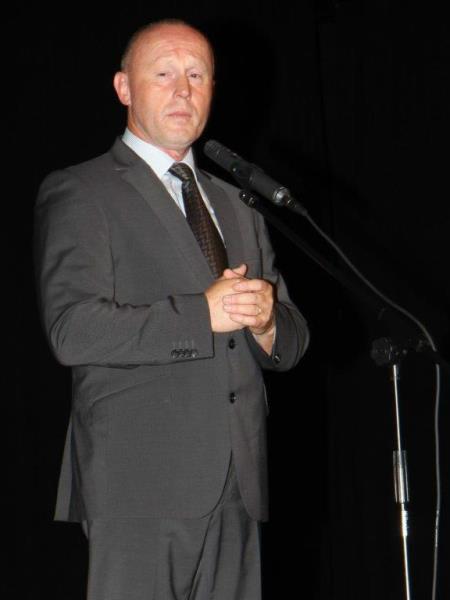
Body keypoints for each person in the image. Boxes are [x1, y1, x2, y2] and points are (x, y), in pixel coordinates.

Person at [33, 18, 309, 600]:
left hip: (238, 485)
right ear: (123, 88)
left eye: (197, 75)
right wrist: (199, 315)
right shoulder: (81, 190)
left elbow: (291, 339)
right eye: (163, 74)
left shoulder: (239, 203)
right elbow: (72, 330)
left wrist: (266, 322)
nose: (183, 90)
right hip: (138, 482)